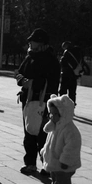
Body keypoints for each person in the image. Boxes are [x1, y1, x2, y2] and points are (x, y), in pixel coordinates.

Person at [16, 28, 61, 175]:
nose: (31, 45)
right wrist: (22, 80)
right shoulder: (29, 56)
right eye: (31, 43)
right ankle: (30, 163)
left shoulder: (51, 60)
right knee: (29, 131)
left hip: (45, 102)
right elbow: (19, 72)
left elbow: (53, 82)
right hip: (28, 100)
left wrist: (33, 84)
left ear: (42, 44)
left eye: (34, 43)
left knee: (43, 134)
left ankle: (47, 165)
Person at [40, 94, 82, 184]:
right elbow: (49, 143)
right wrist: (44, 152)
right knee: (55, 183)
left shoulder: (70, 130)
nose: (52, 117)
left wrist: (66, 160)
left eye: (55, 114)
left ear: (64, 114)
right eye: (51, 114)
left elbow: (72, 147)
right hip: (54, 163)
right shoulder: (55, 127)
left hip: (64, 165)